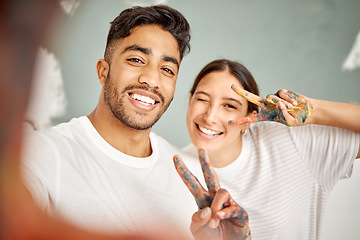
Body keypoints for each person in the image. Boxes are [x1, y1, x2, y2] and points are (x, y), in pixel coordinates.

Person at [20, 5, 251, 240]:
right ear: (103, 71)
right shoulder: (40, 154)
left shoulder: (194, 179)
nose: (152, 79)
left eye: (167, 69)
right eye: (137, 59)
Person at [180, 59, 360, 239]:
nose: (210, 117)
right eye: (202, 99)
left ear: (250, 119)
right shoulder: (176, 170)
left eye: (230, 105)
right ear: (190, 101)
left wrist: (314, 112)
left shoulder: (291, 139)